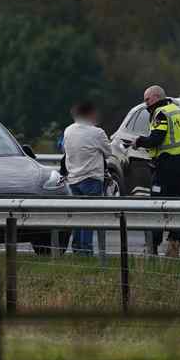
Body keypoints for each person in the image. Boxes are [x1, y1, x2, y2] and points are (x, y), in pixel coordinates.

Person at [130, 85, 180, 257]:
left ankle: (152, 247)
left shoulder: (161, 113)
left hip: (166, 167)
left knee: (157, 205)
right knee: (177, 206)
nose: (145, 104)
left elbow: (156, 139)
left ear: (156, 97)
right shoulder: (178, 111)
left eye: (147, 100)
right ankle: (174, 247)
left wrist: (139, 141)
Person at [61, 100, 111, 255]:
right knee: (89, 217)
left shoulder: (68, 131)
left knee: (78, 216)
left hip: (74, 178)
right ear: (90, 114)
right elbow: (108, 152)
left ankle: (77, 248)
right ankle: (86, 250)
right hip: (91, 178)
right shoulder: (97, 132)